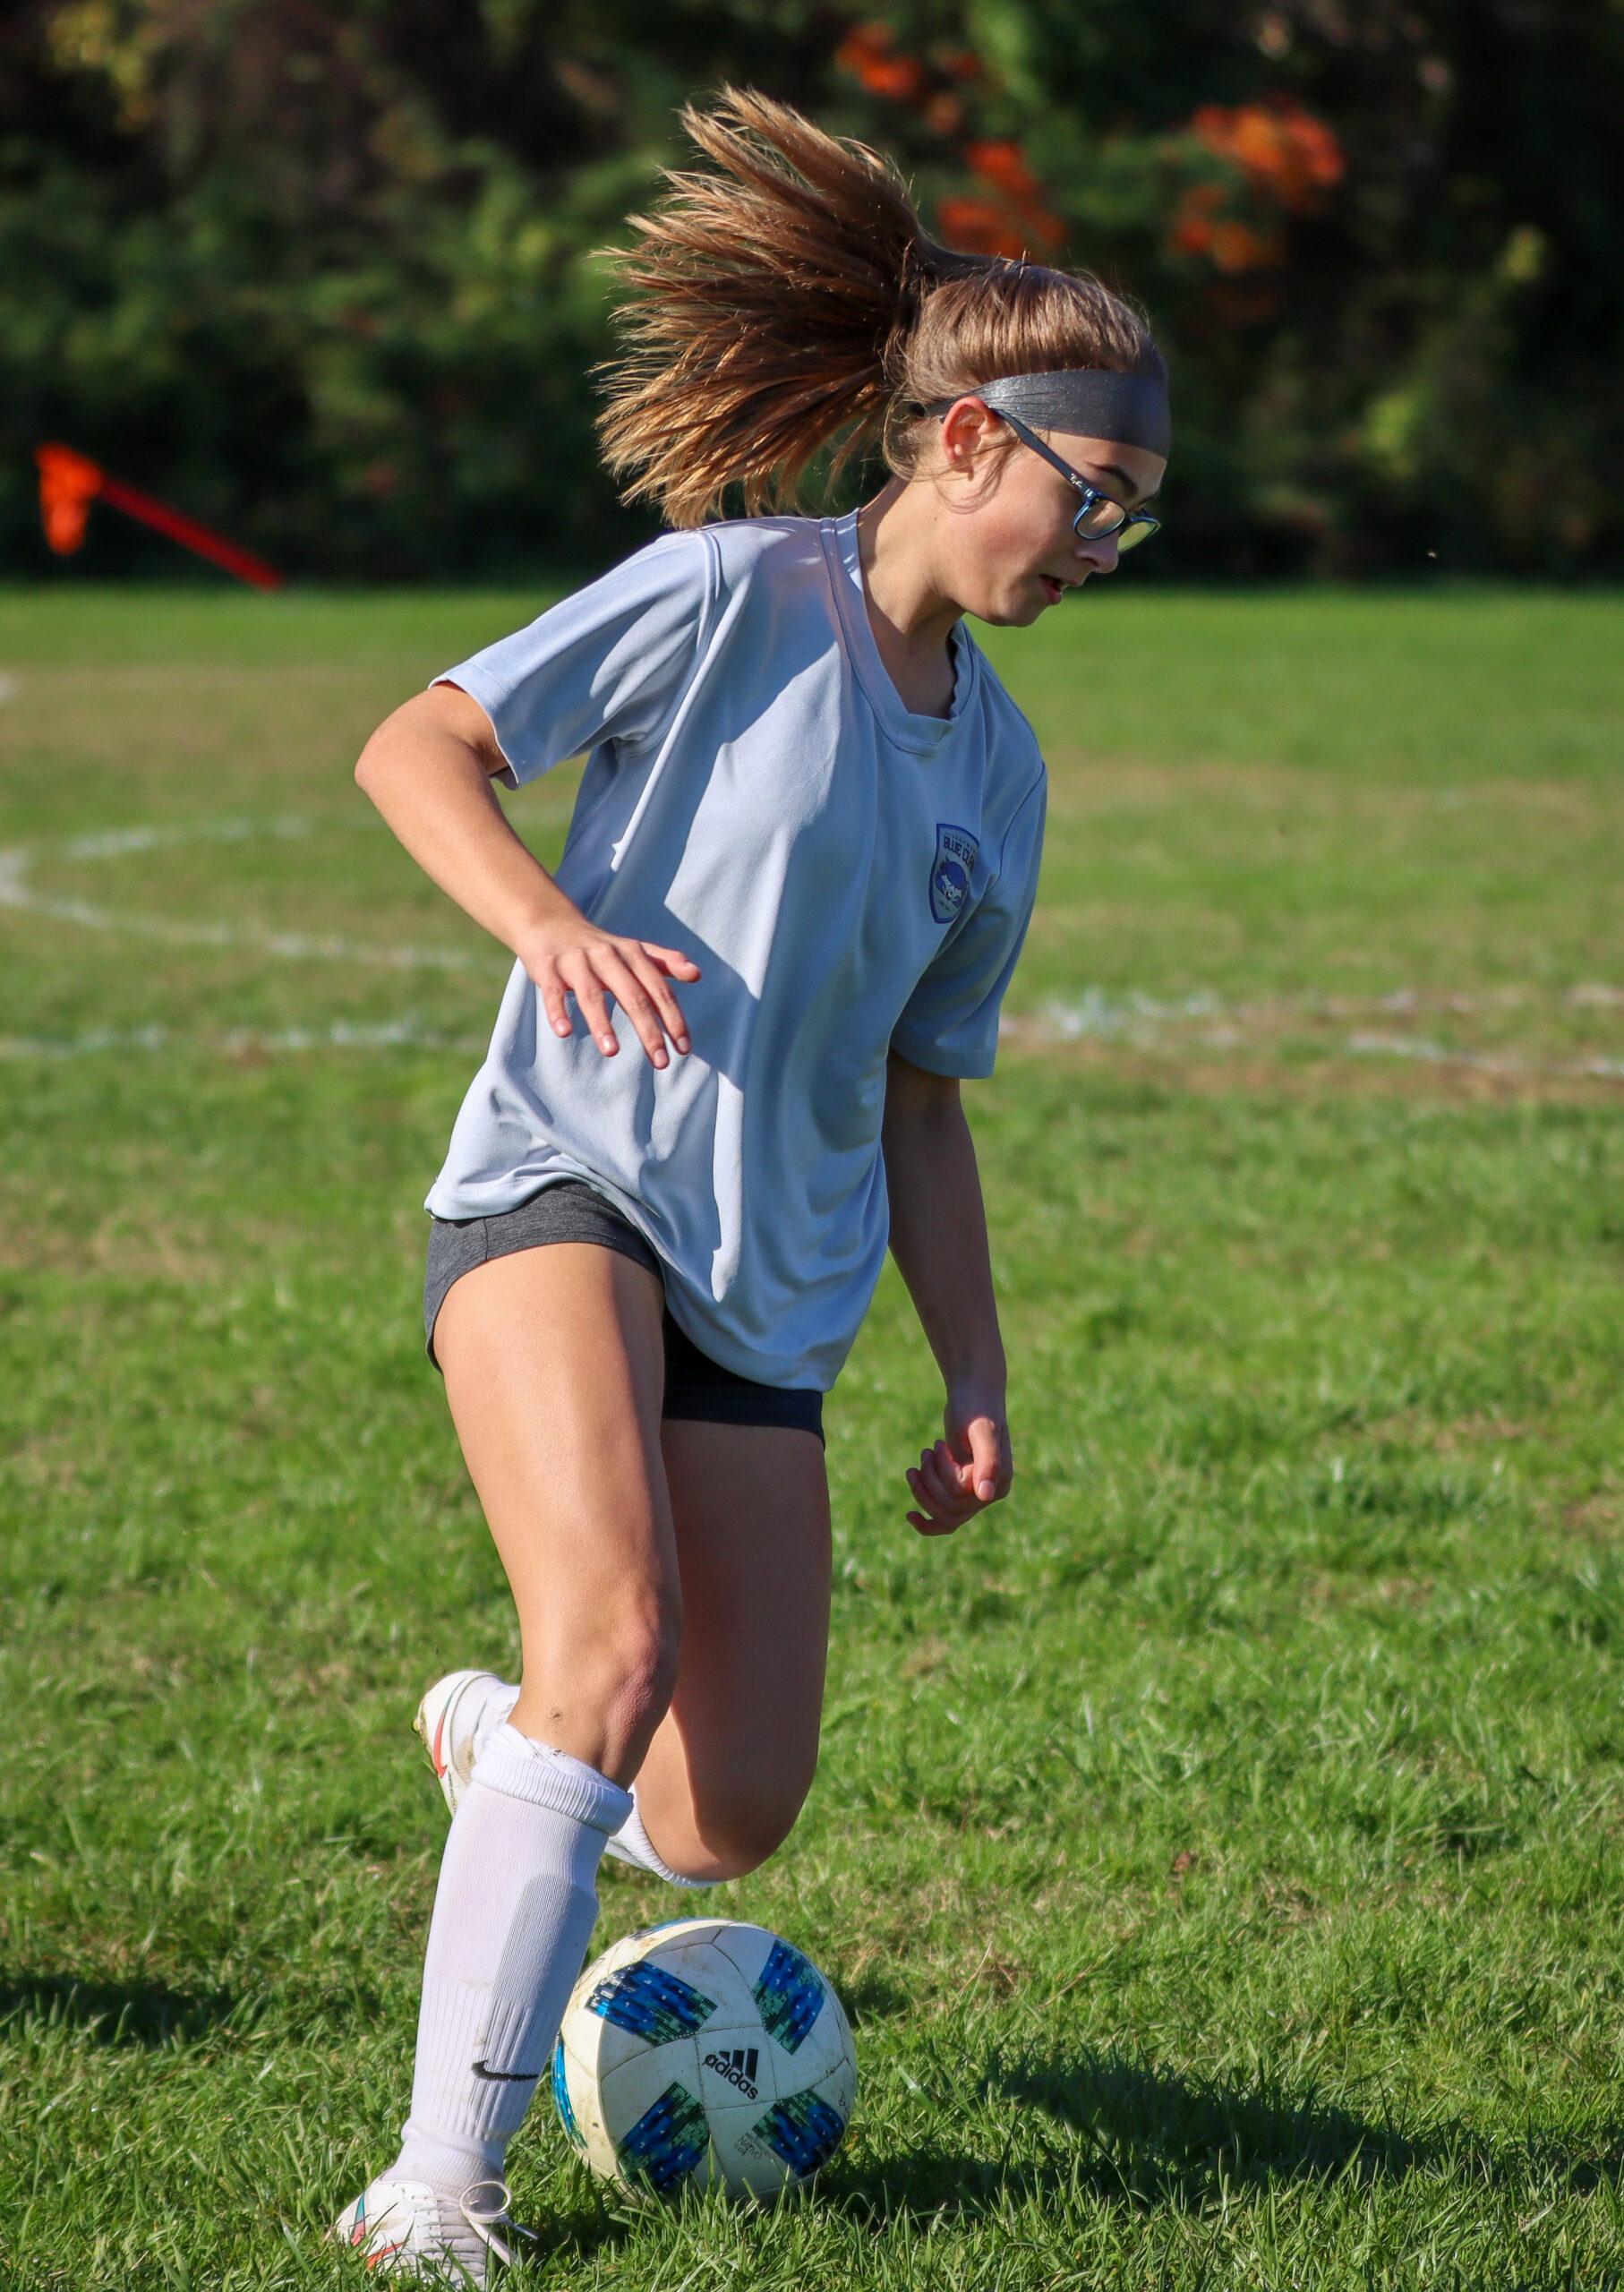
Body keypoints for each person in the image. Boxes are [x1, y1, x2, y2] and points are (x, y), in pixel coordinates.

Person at [330, 87, 1168, 2280]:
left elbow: (923, 1096)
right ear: (968, 438)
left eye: (1137, 515)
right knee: (610, 1644)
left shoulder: (1002, 770)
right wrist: (546, 925)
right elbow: (418, 745)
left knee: (721, 1812)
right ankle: (436, 2184)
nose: (1106, 542)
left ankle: (499, 1740)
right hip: (567, 1181)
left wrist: (974, 1368)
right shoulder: (726, 593)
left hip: (768, 1282)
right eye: (1096, 494)